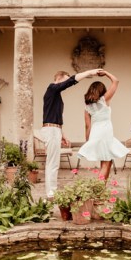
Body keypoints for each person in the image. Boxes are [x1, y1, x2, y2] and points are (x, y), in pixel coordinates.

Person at [41, 67, 101, 198]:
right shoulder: (52, 88)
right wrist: (89, 73)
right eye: (65, 80)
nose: (66, 83)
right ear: (59, 78)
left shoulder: (56, 95)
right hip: (51, 130)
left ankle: (53, 191)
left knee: (54, 162)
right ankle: (51, 192)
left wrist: (62, 135)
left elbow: (54, 116)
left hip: (55, 129)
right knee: (52, 162)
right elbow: (70, 82)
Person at [77, 70, 128, 181]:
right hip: (105, 132)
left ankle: (102, 189)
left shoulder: (87, 107)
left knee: (107, 160)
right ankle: (98, 189)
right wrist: (105, 73)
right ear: (102, 91)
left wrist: (88, 141)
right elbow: (116, 81)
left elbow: (87, 126)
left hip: (96, 133)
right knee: (105, 163)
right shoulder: (104, 100)